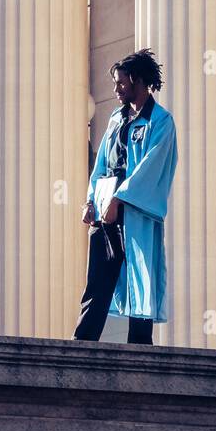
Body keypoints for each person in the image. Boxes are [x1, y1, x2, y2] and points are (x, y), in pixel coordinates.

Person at [73, 48, 177, 346]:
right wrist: (91, 200)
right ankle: (83, 340)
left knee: (140, 278)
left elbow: (152, 166)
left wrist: (121, 199)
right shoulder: (116, 120)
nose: (116, 89)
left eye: (120, 83)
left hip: (135, 211)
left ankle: (140, 347)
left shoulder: (160, 122)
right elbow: (102, 164)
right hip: (106, 207)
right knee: (98, 279)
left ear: (137, 80)